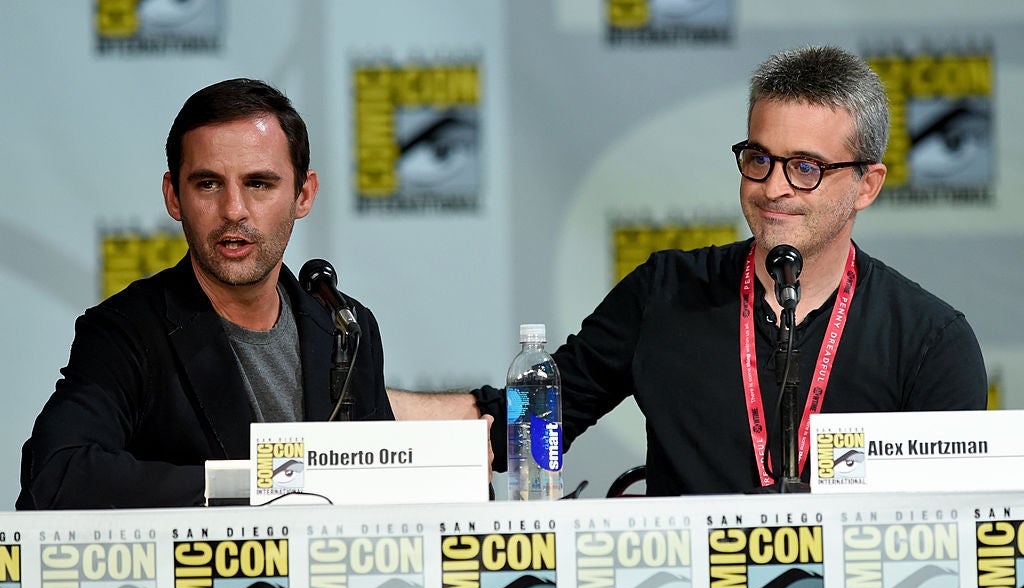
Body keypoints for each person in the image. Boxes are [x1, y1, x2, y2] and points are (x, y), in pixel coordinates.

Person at [389, 45, 988, 495]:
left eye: (806, 167)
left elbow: (955, 533)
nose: (774, 187)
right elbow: (526, 423)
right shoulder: (667, 292)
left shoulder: (929, 341)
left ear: (867, 185)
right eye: (759, 158)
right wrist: (352, 393)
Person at [18, 78, 393, 510]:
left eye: (259, 183)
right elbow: (57, 474)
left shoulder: (346, 327)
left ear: (303, 195)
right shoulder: (127, 333)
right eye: (209, 184)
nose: (233, 210)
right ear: (174, 197)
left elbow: (383, 488)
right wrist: (257, 485)